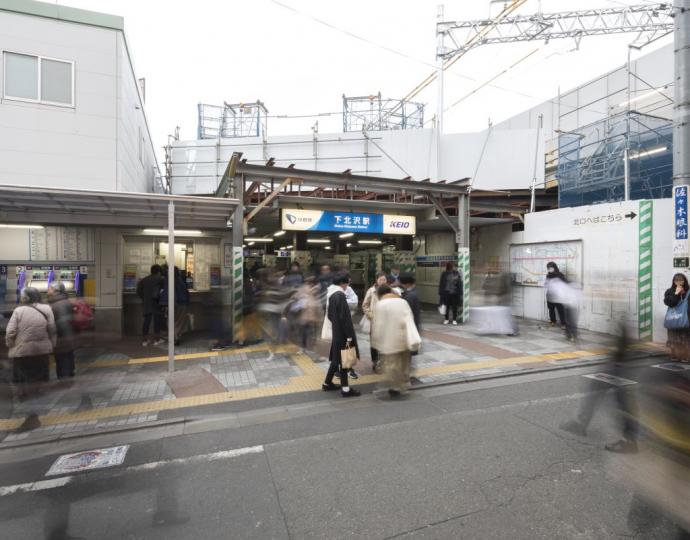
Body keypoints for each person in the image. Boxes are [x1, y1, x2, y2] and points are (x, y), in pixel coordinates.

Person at [5, 287, 57, 432]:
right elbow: (52, 330)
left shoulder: (19, 311)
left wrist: (11, 346)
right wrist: (51, 346)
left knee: (24, 385)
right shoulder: (47, 309)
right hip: (42, 353)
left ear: (25, 298)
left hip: (23, 354)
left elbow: (10, 332)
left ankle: (32, 417)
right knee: (38, 383)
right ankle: (35, 412)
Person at [371, 284, 421, 398]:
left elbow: (378, 325)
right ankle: (404, 383)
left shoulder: (380, 304)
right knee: (404, 363)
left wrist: (376, 342)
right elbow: (410, 318)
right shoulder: (402, 302)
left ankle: (395, 387)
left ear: (379, 294)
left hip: (390, 341)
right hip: (405, 339)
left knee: (392, 365)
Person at [322, 273, 361, 397]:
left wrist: (336, 326)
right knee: (344, 360)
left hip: (336, 331)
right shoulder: (340, 295)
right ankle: (345, 389)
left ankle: (327, 383)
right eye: (347, 283)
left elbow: (329, 315)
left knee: (336, 359)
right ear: (343, 283)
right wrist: (349, 336)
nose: (347, 286)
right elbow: (345, 318)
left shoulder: (331, 294)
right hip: (343, 333)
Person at [47, 281, 76, 379]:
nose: (48, 290)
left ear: (56, 291)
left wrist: (63, 339)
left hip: (62, 338)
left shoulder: (59, 304)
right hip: (66, 337)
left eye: (50, 288)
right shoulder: (63, 301)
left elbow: (63, 323)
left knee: (63, 360)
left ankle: (65, 380)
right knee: (67, 358)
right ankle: (68, 376)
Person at [362, 272, 388, 372]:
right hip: (374, 322)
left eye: (384, 279)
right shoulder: (371, 291)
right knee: (374, 344)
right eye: (381, 279)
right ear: (376, 280)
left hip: (386, 321)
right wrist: (371, 315)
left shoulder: (389, 290)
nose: (383, 281)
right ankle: (375, 362)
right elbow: (365, 305)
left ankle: (383, 362)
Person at [664, 273, 690, 362]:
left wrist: (683, 295)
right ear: (674, 281)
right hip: (673, 318)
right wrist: (676, 294)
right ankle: (674, 354)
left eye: (681, 280)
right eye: (676, 280)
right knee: (673, 338)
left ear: (684, 281)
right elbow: (669, 303)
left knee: (685, 338)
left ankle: (685, 356)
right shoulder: (669, 291)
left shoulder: (688, 291)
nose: (679, 282)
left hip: (686, 319)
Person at [136, 264, 164, 347]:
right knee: (157, 321)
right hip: (156, 303)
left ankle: (145, 341)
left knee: (146, 322)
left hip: (146, 303)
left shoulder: (144, 280)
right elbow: (163, 291)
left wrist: (144, 298)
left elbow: (138, 291)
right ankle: (157, 340)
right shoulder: (160, 279)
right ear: (158, 272)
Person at [545, 262, 567, 327]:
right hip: (549, 295)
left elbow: (564, 284)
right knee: (551, 310)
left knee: (561, 310)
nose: (549, 269)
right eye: (548, 268)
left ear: (555, 267)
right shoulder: (548, 275)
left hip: (558, 296)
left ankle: (563, 323)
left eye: (551, 268)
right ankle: (553, 321)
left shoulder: (560, 275)